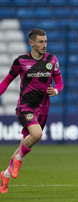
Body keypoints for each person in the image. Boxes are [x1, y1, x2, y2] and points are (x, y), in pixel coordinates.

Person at [0, 28, 63, 193]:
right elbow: (6, 82)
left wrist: (55, 91)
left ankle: (5, 175)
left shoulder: (52, 60)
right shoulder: (20, 61)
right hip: (25, 106)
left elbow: (59, 82)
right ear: (32, 43)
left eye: (46, 41)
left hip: (43, 109)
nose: (44, 45)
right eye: (41, 42)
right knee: (36, 135)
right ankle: (18, 161)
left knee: (26, 142)